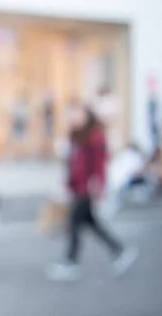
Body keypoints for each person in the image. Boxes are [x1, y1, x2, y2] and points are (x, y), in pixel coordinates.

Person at [46, 103, 137, 282]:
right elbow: (72, 166)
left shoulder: (94, 136)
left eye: (75, 113)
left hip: (86, 188)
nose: (72, 117)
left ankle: (71, 262)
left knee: (74, 223)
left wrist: (97, 186)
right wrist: (67, 186)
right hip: (78, 187)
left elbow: (98, 165)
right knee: (91, 223)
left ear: (86, 115)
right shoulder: (75, 137)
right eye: (69, 114)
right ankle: (119, 250)